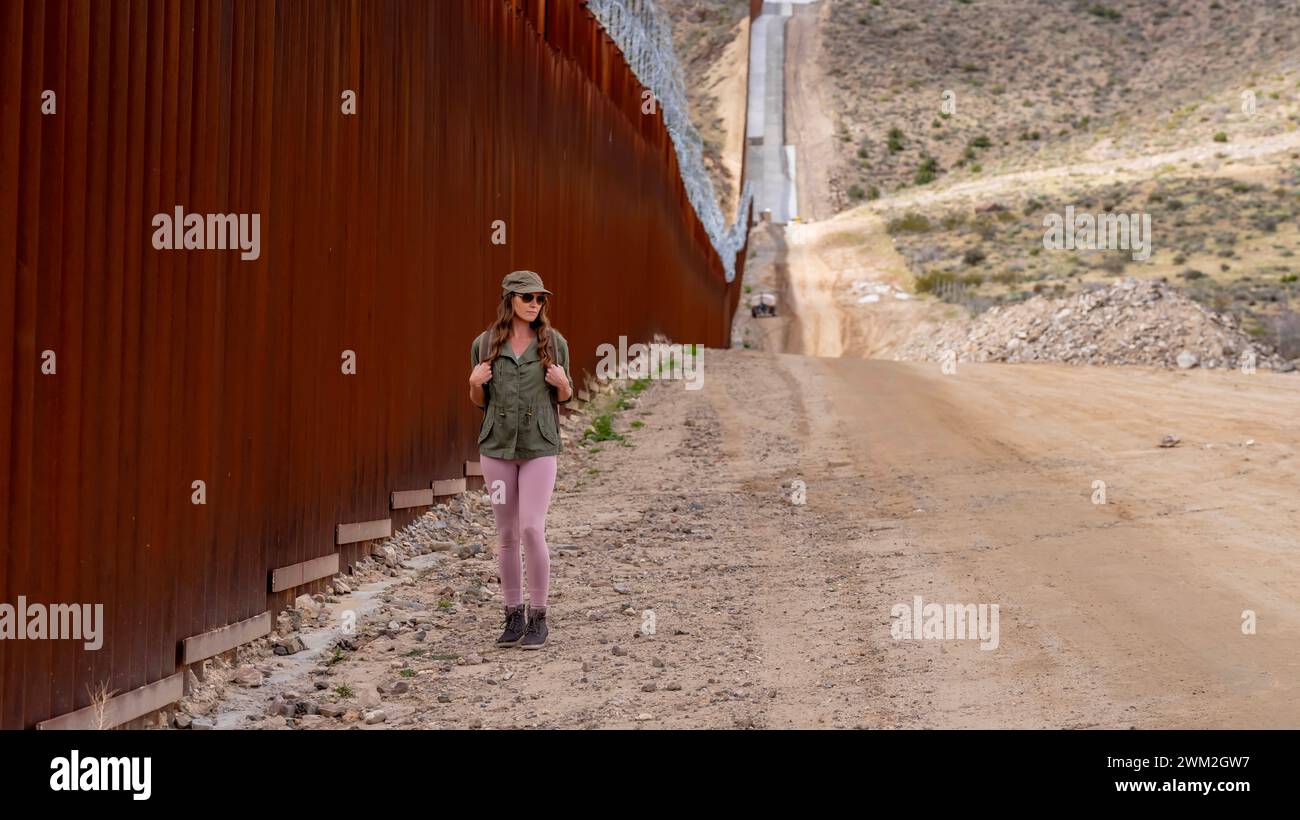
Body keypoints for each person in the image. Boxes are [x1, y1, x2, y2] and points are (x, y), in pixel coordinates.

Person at [469, 270, 574, 649]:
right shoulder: (484, 345)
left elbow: (564, 397)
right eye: (527, 297)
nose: (534, 304)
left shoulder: (553, 343)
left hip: (539, 449)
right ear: (510, 299)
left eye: (540, 299)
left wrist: (563, 385)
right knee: (507, 535)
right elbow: (480, 403)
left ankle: (539, 617)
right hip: (496, 451)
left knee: (531, 527)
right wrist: (474, 383)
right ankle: (512, 616)